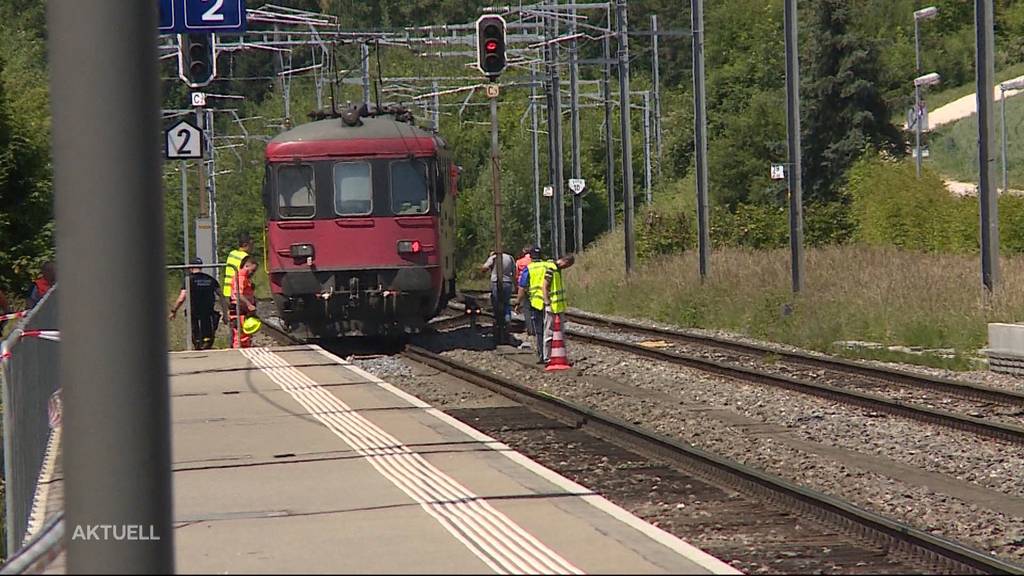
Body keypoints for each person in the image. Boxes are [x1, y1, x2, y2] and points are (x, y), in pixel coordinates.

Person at [169, 258, 229, 350]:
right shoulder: (210, 279)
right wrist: (225, 314)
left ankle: (197, 343)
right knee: (207, 328)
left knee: (194, 328)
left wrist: (174, 310)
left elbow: (182, 298)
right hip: (208, 310)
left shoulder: (189, 280)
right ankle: (207, 342)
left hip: (193, 309)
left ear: (190, 267)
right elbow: (222, 296)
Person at [539, 254, 575, 364]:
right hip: (552, 306)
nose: (566, 268)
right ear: (565, 261)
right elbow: (544, 286)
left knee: (559, 333)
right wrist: (547, 302)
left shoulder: (557, 270)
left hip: (558, 307)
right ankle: (547, 357)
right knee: (549, 332)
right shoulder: (551, 269)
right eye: (567, 265)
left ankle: (558, 355)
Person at [229, 255, 259, 349]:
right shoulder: (240, 277)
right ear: (246, 266)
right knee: (240, 333)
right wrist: (249, 304)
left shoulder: (245, 278)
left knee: (245, 333)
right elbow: (238, 293)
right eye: (252, 270)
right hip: (239, 310)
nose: (252, 273)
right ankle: (238, 351)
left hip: (243, 310)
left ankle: (245, 348)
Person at [480, 250, 515, 328]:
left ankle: (498, 321)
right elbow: (514, 272)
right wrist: (515, 285)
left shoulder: (494, 258)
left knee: (496, 302)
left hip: (495, 282)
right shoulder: (510, 257)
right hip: (507, 282)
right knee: (506, 303)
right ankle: (507, 321)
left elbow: (484, 269)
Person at [515, 245, 540, 335]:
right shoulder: (546, 265)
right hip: (543, 293)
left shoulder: (522, 264)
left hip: (529, 291)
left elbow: (519, 279)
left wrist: (518, 301)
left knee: (528, 310)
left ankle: (531, 330)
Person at [222, 233, 252, 300]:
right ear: (245, 245)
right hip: (237, 289)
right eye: (251, 245)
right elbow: (246, 273)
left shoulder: (232, 253)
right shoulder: (245, 257)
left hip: (227, 289)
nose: (252, 247)